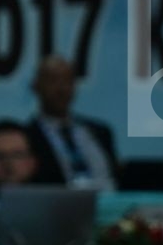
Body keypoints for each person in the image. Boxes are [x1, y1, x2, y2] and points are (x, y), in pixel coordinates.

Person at [25, 55, 120, 189]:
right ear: (36, 86)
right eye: (53, 80)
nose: (62, 88)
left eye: (68, 81)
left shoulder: (101, 132)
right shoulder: (26, 138)